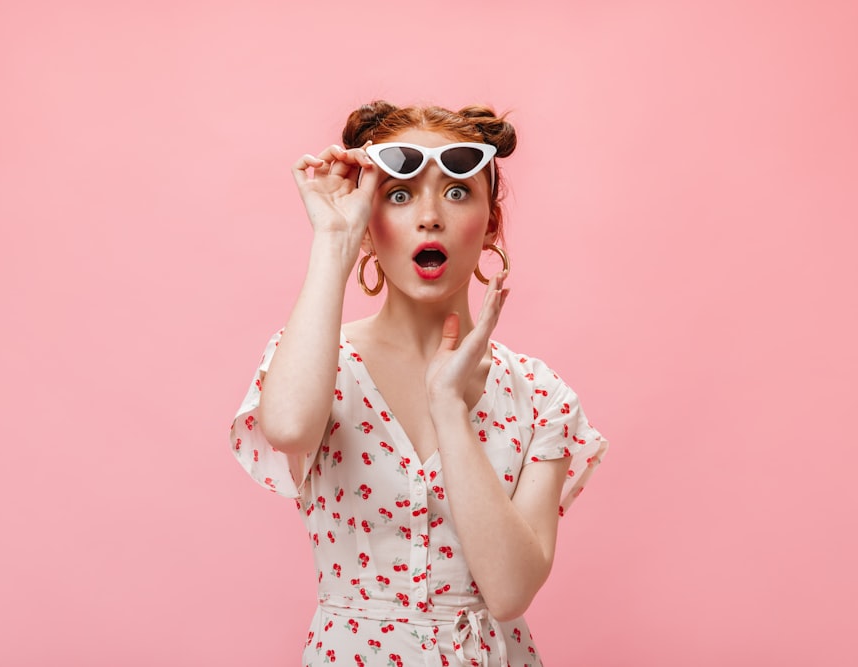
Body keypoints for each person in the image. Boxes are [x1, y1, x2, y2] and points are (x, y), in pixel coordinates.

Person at [230, 101, 609, 667]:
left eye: (457, 192)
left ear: (491, 226)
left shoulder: (539, 394)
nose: (429, 215)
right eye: (400, 194)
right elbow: (287, 427)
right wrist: (333, 238)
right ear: (369, 224)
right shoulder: (317, 358)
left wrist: (448, 407)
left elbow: (508, 593)